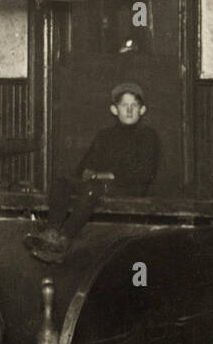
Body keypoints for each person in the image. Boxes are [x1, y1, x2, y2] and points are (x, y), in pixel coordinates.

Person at [27, 81, 160, 262]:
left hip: (128, 189)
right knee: (62, 182)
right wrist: (87, 172)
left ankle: (64, 240)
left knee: (92, 188)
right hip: (99, 185)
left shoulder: (148, 136)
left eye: (134, 106)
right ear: (114, 110)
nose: (129, 110)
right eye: (124, 105)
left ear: (142, 110)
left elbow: (143, 174)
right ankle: (52, 232)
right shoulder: (105, 135)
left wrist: (105, 175)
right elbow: (84, 167)